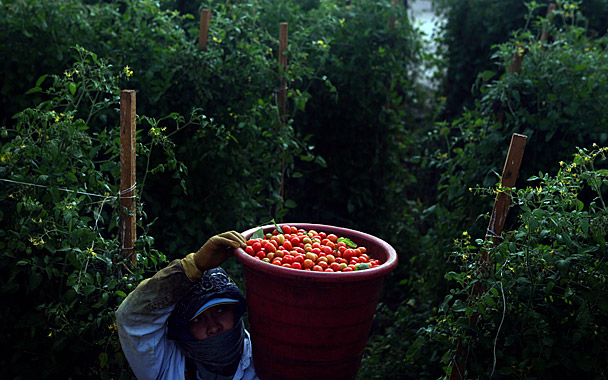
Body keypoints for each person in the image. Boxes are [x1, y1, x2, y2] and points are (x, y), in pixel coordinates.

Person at [116, 231, 259, 380]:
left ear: (236, 311)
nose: (213, 327)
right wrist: (192, 265)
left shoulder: (264, 361)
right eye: (198, 319)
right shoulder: (166, 364)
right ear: (185, 330)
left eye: (220, 310)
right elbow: (132, 317)